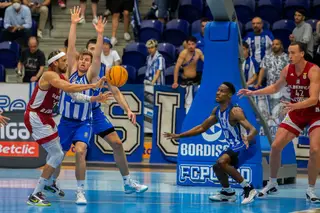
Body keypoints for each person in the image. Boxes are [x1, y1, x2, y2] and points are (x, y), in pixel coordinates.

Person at [44, 7, 148, 205]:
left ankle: (127, 182)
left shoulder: (100, 70)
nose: (88, 57)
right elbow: (72, 45)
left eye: (92, 54)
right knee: (58, 154)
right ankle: (50, 182)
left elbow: (116, 91)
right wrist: (73, 23)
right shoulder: (73, 66)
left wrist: (127, 109)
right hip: (70, 117)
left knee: (113, 144)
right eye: (86, 53)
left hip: (91, 114)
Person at [238, 41, 320, 202]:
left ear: (302, 53)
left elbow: (313, 99)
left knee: (315, 150)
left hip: (315, 113)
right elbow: (275, 88)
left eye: (293, 53)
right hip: (296, 111)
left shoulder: (314, 70)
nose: (290, 56)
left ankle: (310, 190)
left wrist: (294, 105)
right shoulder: (287, 70)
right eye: (288, 53)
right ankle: (272, 183)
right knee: (275, 146)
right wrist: (253, 92)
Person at [24, 50, 107, 206]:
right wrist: (93, 85)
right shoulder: (49, 75)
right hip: (36, 117)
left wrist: (94, 98)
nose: (67, 63)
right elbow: (68, 87)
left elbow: (75, 95)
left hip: (46, 117)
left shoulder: (61, 77)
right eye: (63, 61)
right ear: (55, 63)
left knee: (58, 154)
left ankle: (48, 183)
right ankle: (35, 194)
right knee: (57, 154)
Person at [164, 82, 258, 205]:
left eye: (222, 91)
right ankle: (227, 192)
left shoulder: (235, 111)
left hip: (247, 145)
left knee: (221, 162)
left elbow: (253, 129)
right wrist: (179, 136)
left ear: (229, 94)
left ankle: (248, 188)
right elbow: (201, 128)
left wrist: (248, 137)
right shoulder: (217, 111)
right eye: (218, 90)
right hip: (235, 146)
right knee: (217, 166)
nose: (218, 93)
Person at [172, 36, 204, 113]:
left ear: (195, 44)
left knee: (197, 100)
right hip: (186, 80)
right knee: (187, 102)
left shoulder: (198, 52)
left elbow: (207, 63)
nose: (191, 46)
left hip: (196, 79)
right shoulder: (183, 54)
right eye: (189, 44)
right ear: (186, 45)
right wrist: (175, 81)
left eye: (192, 44)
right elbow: (176, 67)